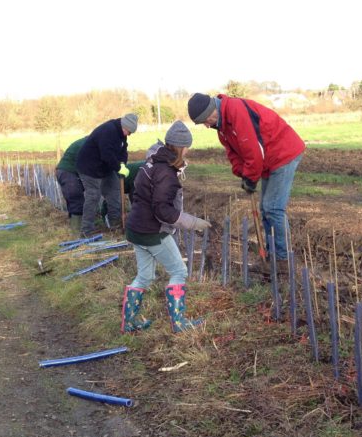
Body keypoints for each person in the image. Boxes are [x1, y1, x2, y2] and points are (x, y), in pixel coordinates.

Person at [188, 92, 304, 261]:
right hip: (269, 160)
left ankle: (283, 258)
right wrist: (242, 173)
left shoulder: (236, 112)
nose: (206, 126)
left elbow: (254, 151)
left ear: (211, 110)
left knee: (273, 208)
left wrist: (250, 177)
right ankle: (271, 254)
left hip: (283, 153)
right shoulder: (221, 126)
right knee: (266, 209)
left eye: (205, 120)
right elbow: (233, 153)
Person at [122, 121, 210, 334]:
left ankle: (129, 322)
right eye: (187, 147)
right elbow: (162, 211)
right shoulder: (166, 173)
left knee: (145, 276)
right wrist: (193, 222)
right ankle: (179, 325)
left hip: (136, 228)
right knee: (179, 271)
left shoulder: (152, 163)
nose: (188, 150)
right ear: (180, 147)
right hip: (153, 232)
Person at [76, 113, 138, 236]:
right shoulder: (108, 131)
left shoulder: (122, 134)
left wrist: (123, 164)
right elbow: (107, 155)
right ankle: (86, 230)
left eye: (130, 133)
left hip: (105, 168)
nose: (128, 134)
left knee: (115, 191)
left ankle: (115, 224)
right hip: (89, 166)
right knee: (93, 195)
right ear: (123, 125)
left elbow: (122, 151)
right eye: (127, 131)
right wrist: (118, 167)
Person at [55, 136, 87, 234]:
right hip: (67, 171)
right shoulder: (88, 144)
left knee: (74, 198)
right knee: (76, 198)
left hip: (71, 171)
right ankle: (76, 231)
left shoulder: (89, 141)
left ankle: (76, 226)